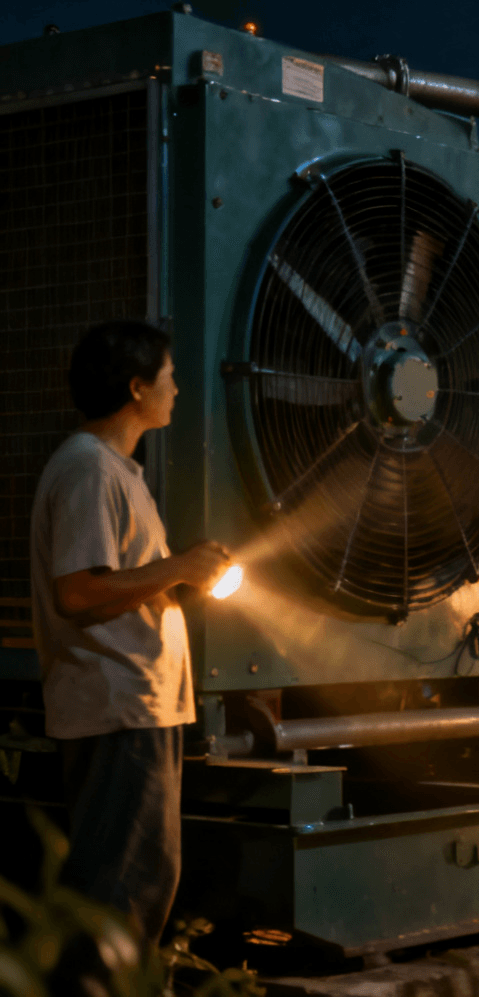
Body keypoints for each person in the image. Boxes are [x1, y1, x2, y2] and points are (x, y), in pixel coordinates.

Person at [30, 321, 232, 946]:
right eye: (169, 378)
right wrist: (181, 568)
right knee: (120, 892)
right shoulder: (90, 468)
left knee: (137, 881)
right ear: (137, 388)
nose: (178, 389)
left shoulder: (115, 471)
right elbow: (79, 591)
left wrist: (181, 576)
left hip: (138, 708)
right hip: (120, 708)